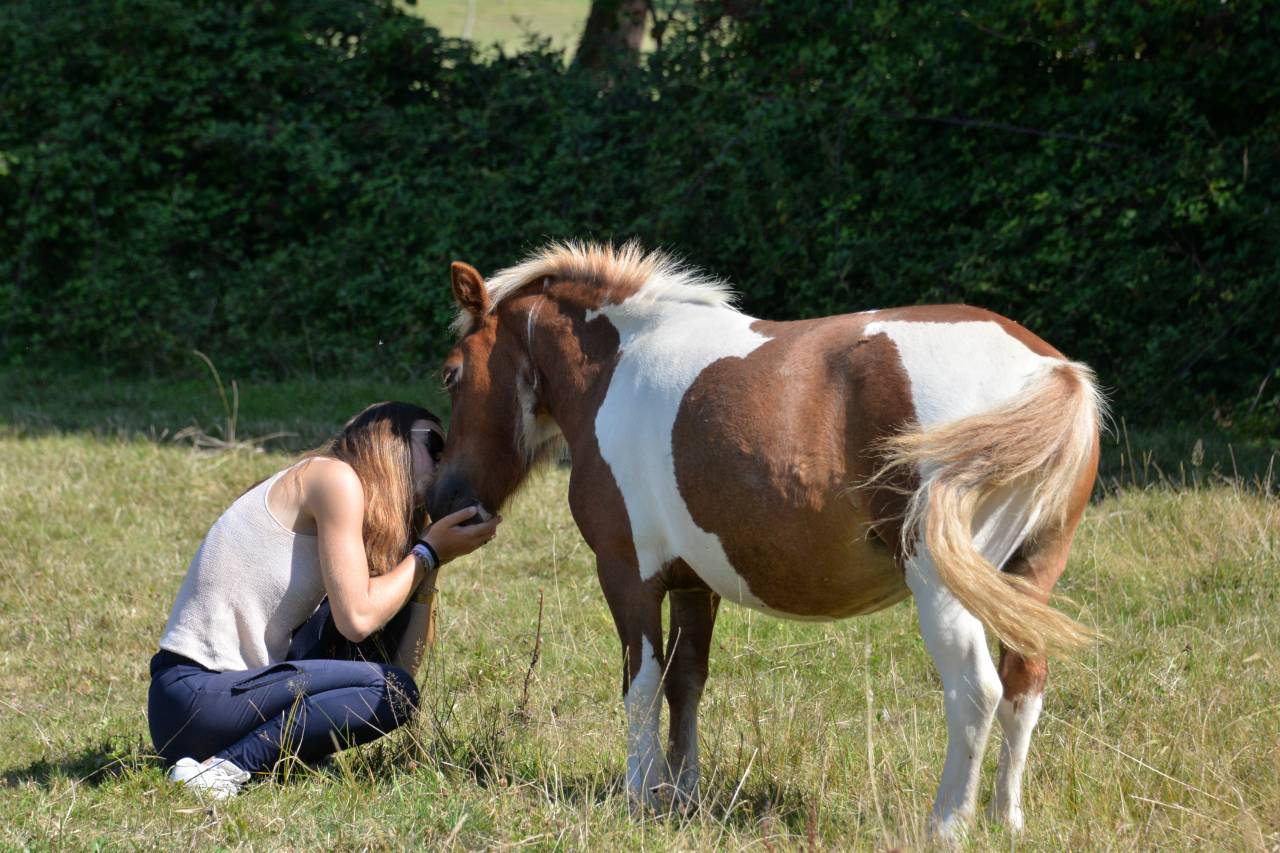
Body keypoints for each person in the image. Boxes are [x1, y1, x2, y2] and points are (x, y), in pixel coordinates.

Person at [147, 401, 500, 798]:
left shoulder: (348, 511)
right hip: (195, 696)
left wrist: (429, 567)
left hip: (219, 703)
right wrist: (427, 552)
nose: (442, 463)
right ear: (389, 440)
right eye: (435, 446)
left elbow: (401, 669)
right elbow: (358, 619)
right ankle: (224, 770)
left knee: (395, 688)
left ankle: (243, 758)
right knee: (388, 684)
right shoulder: (333, 477)